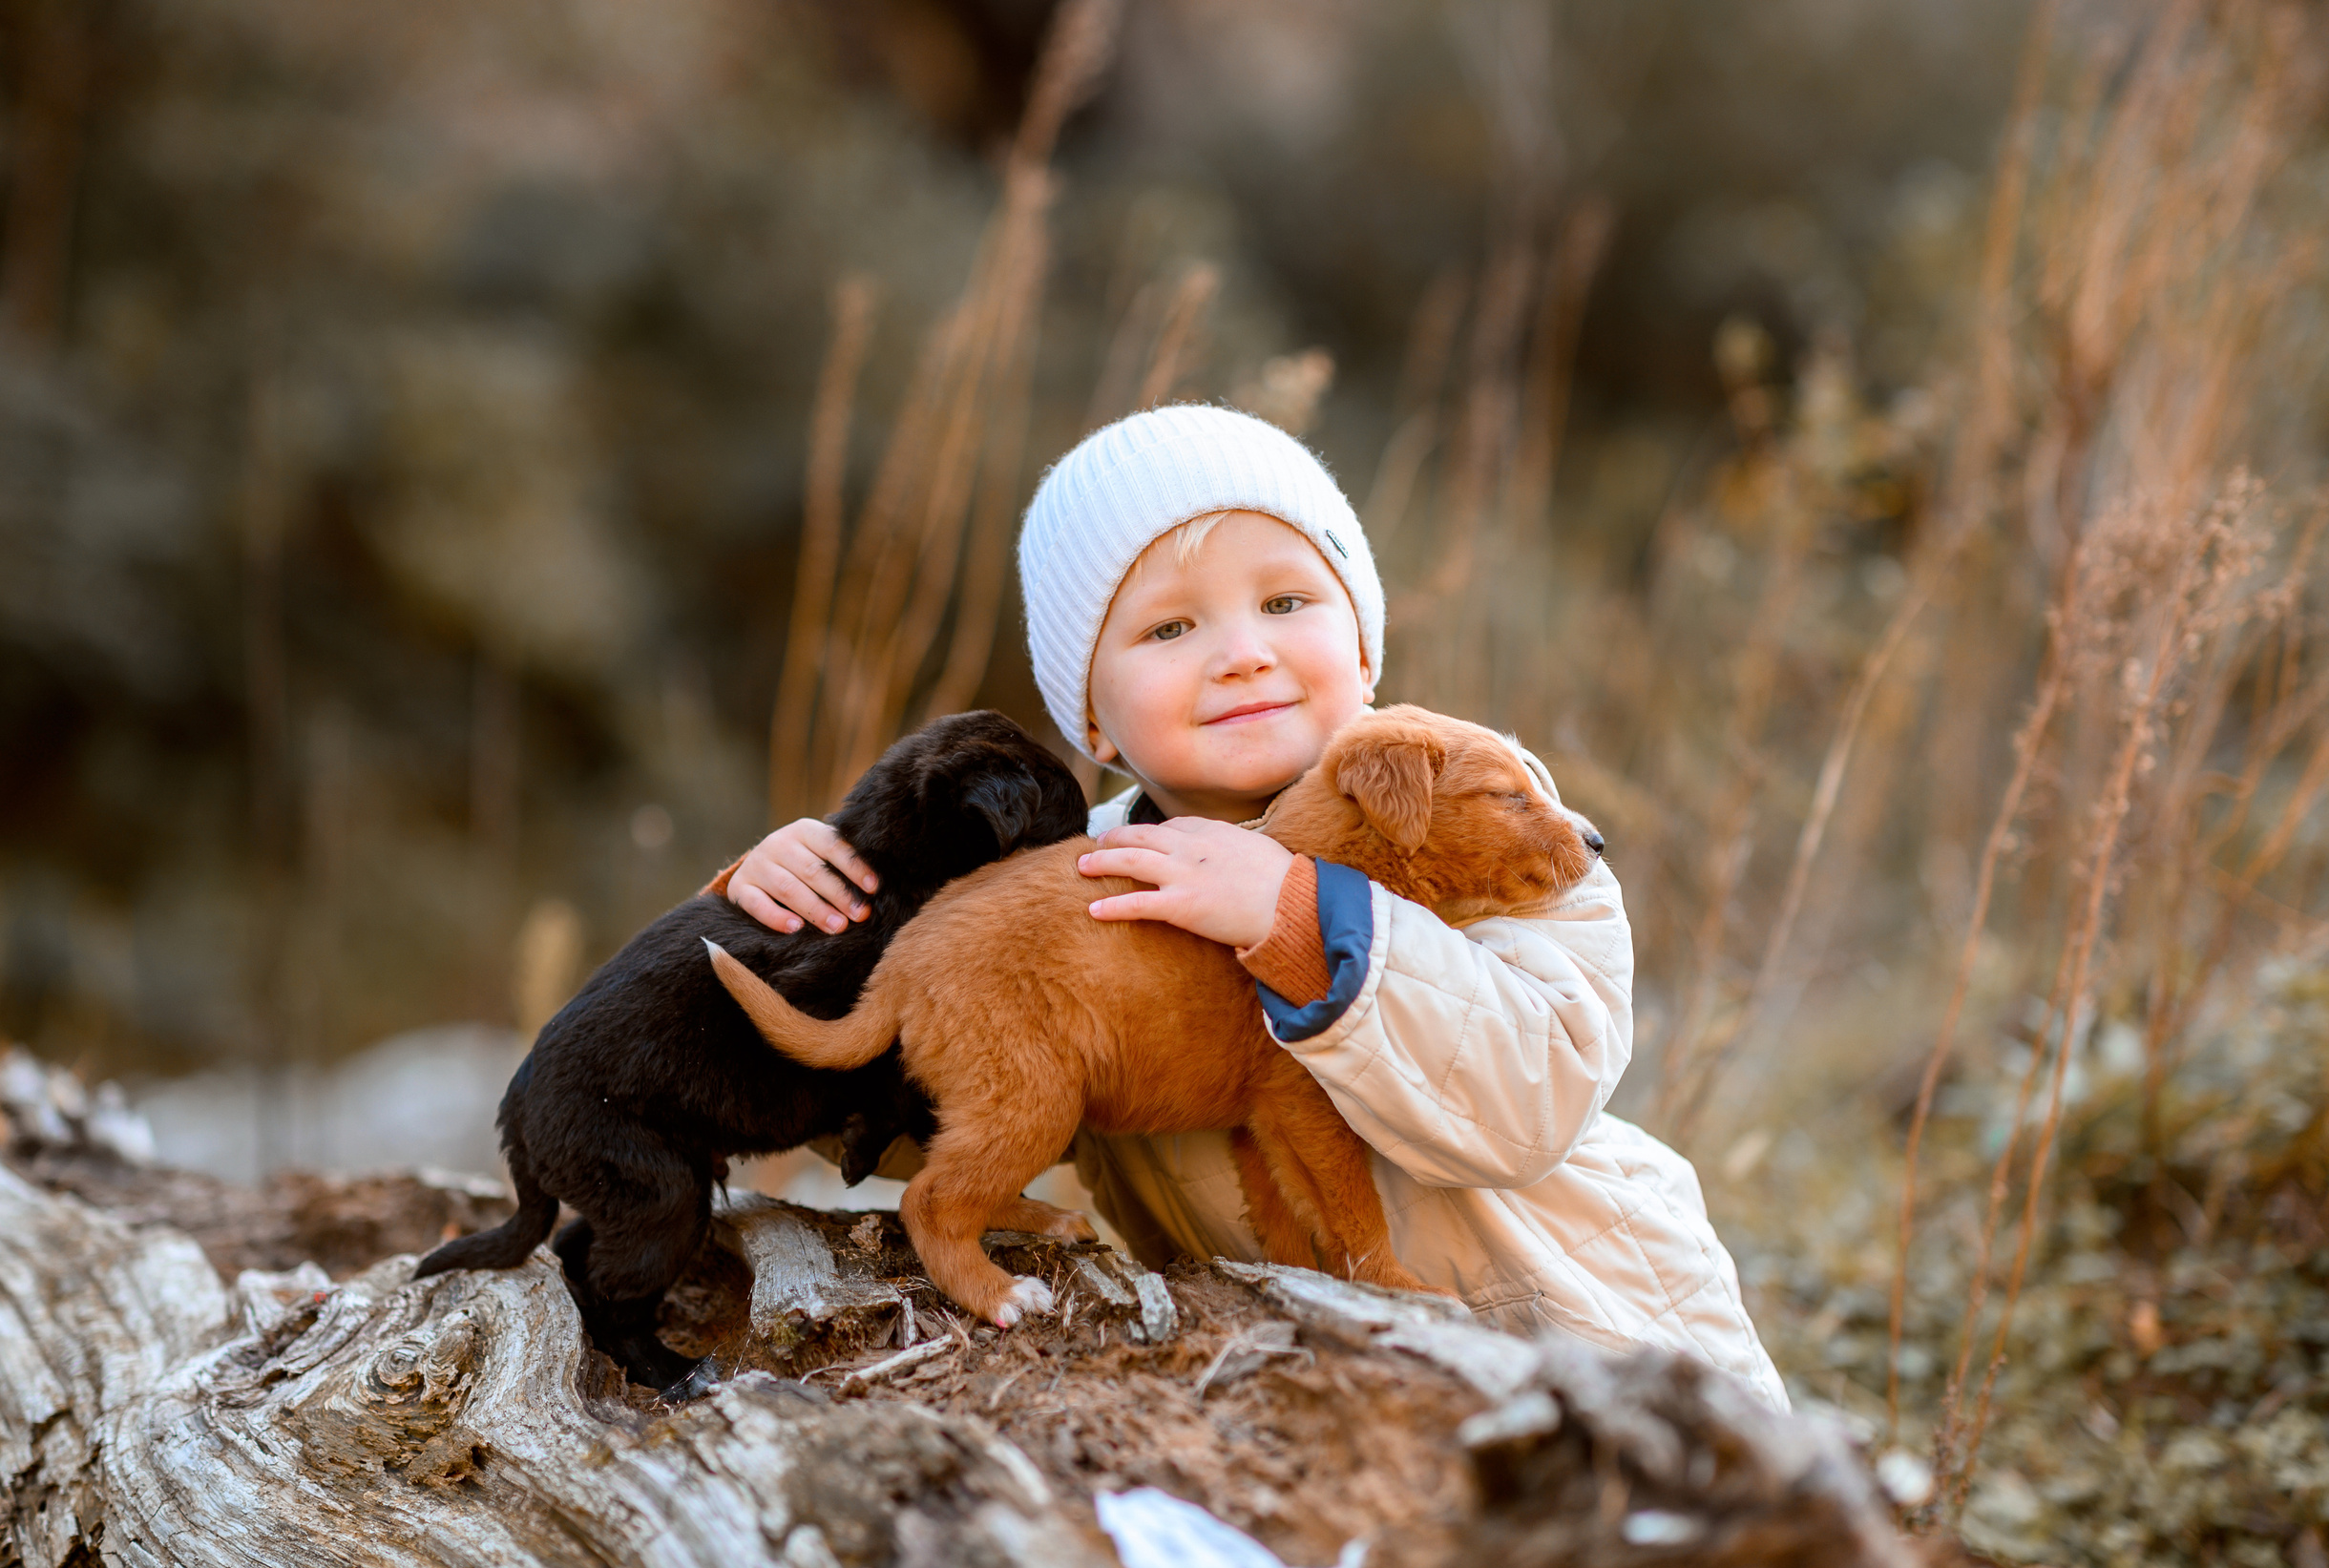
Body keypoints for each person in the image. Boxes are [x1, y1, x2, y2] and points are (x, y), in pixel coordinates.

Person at [718, 404, 1786, 1405]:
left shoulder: (1502, 829)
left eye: (1285, 602)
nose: (1242, 653)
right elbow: (938, 1098)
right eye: (1169, 629)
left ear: (1363, 653)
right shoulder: (1071, 889)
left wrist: (1298, 913)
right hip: (1326, 1372)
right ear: (1092, 721)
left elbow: (1528, 1102)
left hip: (1598, 1341)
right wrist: (796, 927)